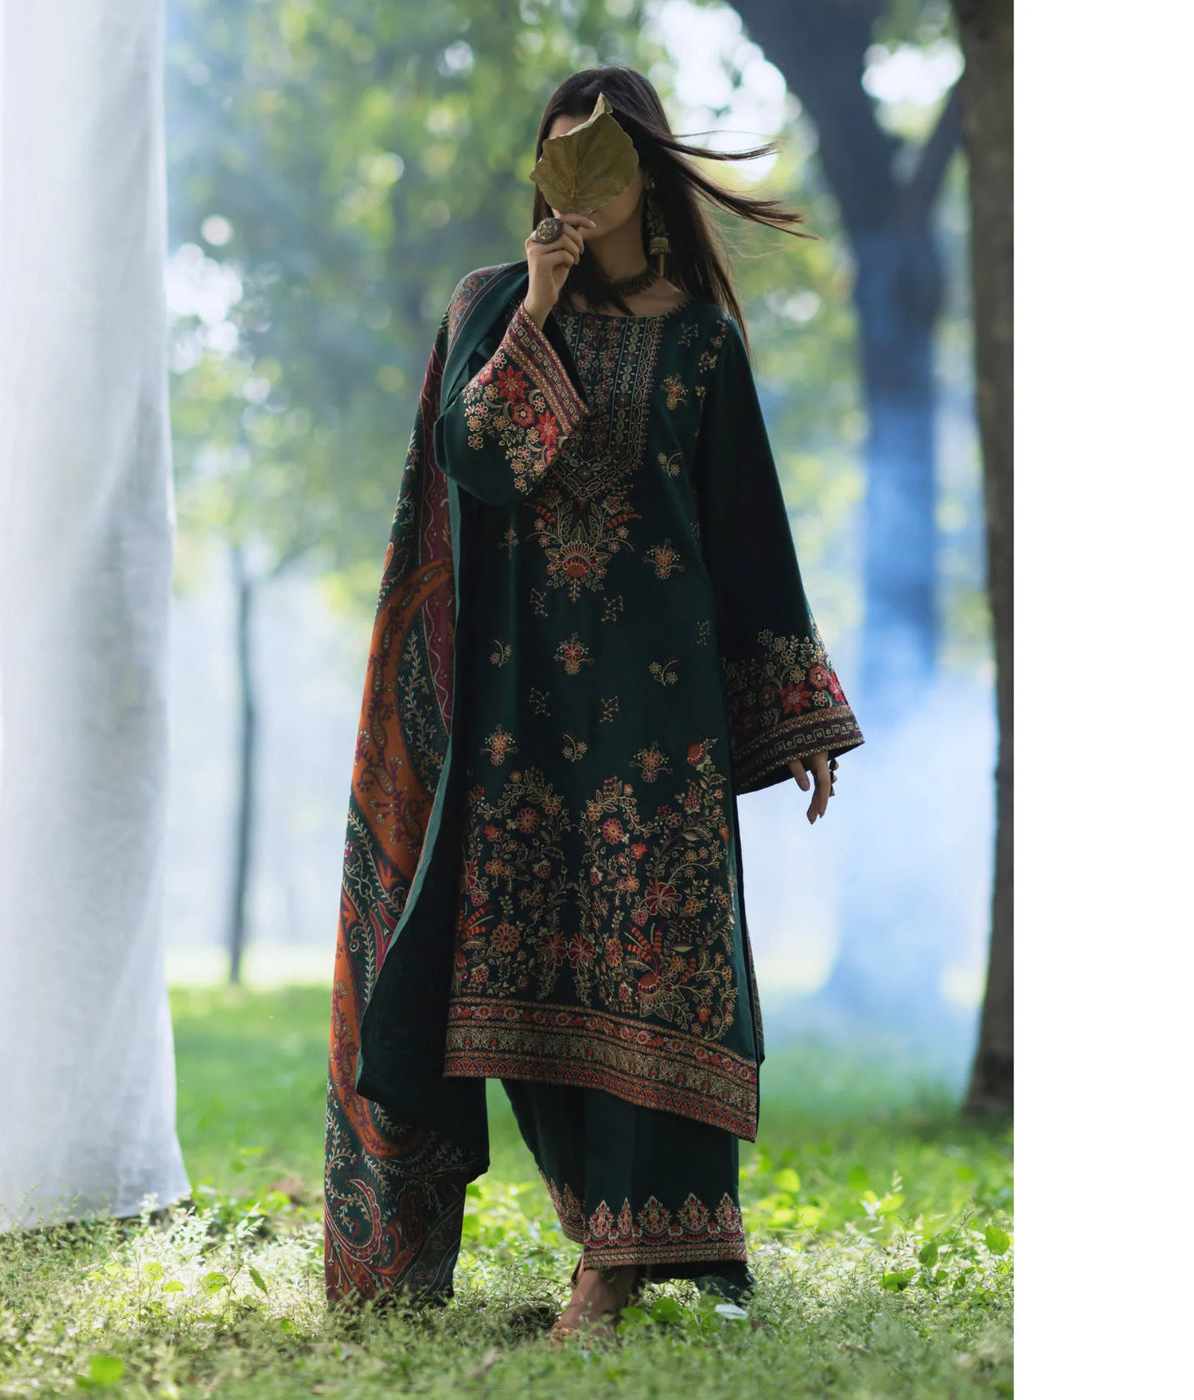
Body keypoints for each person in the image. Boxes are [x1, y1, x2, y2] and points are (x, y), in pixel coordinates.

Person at [323, 64, 864, 1343]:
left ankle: (616, 1267)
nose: (582, 181)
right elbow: (476, 459)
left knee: (655, 970)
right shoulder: (492, 307)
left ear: (645, 174)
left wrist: (792, 709)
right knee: (510, 982)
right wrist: (539, 304)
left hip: (658, 721)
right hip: (516, 719)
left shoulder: (700, 339)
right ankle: (600, 1235)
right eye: (559, 155)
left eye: (605, 158)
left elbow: (745, 529)